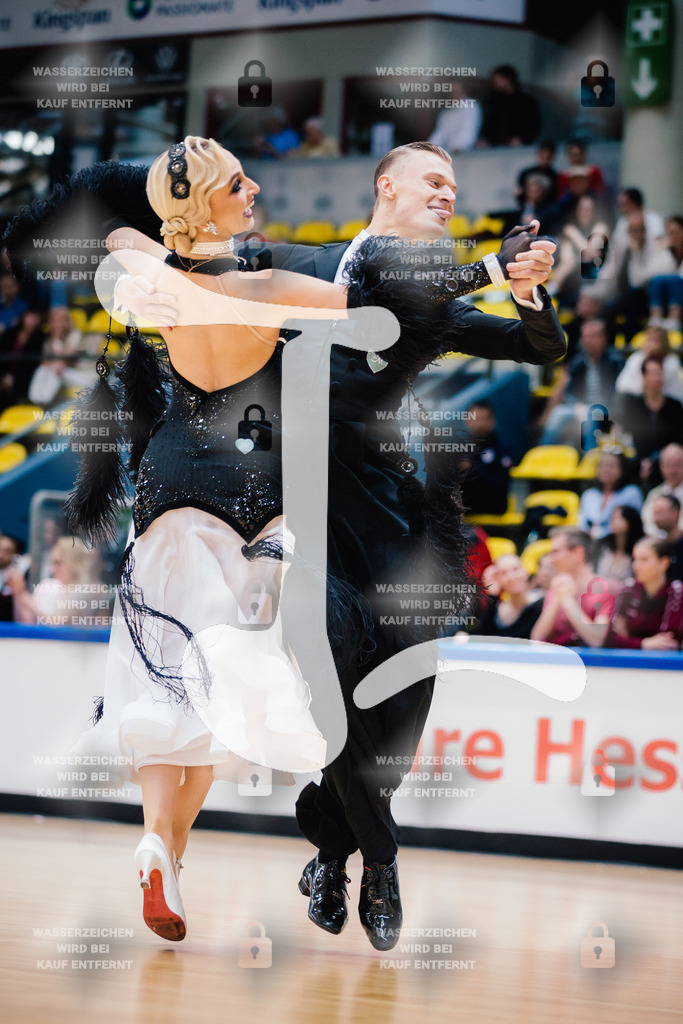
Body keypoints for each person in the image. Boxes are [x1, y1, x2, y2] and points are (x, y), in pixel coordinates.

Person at [84, 140, 563, 950]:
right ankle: (374, 863)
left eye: (455, 184)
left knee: (400, 690)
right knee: (323, 681)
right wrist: (137, 285)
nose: (448, 193)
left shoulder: (407, 293)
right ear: (387, 186)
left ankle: (306, 847)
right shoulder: (296, 261)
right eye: (433, 180)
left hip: (377, 508)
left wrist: (525, 290)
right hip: (285, 499)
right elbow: (152, 240)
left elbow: (538, 348)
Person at [540, 318, 622, 445]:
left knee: (588, 414)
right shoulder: (576, 363)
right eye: (586, 336)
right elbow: (569, 392)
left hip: (607, 407)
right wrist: (577, 404)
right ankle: (544, 452)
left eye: (593, 336)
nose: (589, 341)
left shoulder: (615, 361)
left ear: (604, 338)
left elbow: (618, 391)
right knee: (558, 413)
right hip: (580, 406)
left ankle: (589, 454)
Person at [531, 527, 613, 647]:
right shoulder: (557, 587)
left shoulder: (606, 589)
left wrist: (568, 601)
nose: (551, 559)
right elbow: (537, 639)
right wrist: (556, 601)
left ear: (578, 553)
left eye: (556, 552)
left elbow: (596, 640)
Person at [602, 538, 683, 649]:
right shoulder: (628, 589)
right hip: (628, 662)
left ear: (663, 563)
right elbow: (611, 638)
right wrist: (643, 643)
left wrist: (629, 638)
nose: (636, 566)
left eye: (644, 560)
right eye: (635, 559)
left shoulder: (677, 591)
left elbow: (669, 641)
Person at [7, 536, 90, 626]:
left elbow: (55, 623)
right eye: (52, 562)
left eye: (58, 563)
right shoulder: (46, 585)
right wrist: (18, 594)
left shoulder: (84, 592)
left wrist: (24, 596)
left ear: (74, 563)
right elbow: (26, 622)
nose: (53, 570)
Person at [615, 356, 683, 464]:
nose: (658, 378)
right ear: (644, 377)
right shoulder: (633, 405)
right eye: (653, 374)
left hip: (668, 464)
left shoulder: (675, 406)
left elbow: (677, 441)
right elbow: (626, 437)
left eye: (660, 373)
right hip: (637, 463)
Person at [459, 399, 513, 516]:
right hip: (463, 506)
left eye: (484, 419)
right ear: (466, 420)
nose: (480, 424)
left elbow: (499, 485)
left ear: (493, 421)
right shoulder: (459, 447)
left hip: (492, 506)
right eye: (476, 419)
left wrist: (472, 469)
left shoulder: (503, 448)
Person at [577, 450, 642, 540]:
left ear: (622, 469)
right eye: (602, 465)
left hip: (621, 543)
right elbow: (582, 525)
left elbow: (634, 525)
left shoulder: (631, 492)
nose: (606, 470)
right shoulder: (589, 495)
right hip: (590, 543)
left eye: (612, 466)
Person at [479, 553, 544, 639]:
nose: (511, 577)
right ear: (497, 578)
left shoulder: (542, 602)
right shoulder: (498, 609)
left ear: (526, 572)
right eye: (504, 573)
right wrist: (492, 595)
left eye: (515, 569)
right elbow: (483, 636)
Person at [615, 325, 683, 402]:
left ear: (664, 342)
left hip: (667, 404)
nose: (652, 345)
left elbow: (671, 392)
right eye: (649, 340)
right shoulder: (636, 358)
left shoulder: (672, 361)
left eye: (655, 340)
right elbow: (621, 386)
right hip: (638, 403)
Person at [478, 65, 541, 147]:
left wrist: (522, 139)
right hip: (495, 148)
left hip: (516, 149)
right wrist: (485, 138)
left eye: (497, 79)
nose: (494, 83)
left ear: (507, 79)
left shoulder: (526, 101)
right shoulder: (494, 100)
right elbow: (489, 123)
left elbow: (533, 124)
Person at [647, 215, 683, 328]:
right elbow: (653, 273)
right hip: (666, 292)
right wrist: (663, 250)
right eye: (669, 233)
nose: (673, 236)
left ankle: (674, 319)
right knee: (657, 281)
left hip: (679, 288)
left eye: (675, 232)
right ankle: (656, 318)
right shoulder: (666, 251)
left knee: (675, 279)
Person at [640, 443, 683, 536]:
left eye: (678, 465)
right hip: (658, 544)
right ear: (661, 467)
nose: (673, 470)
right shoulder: (655, 494)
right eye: (668, 465)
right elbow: (646, 522)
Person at [593, 505, 644, 582]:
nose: (612, 521)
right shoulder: (602, 544)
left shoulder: (639, 547)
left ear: (629, 521)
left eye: (617, 518)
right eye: (612, 517)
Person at [428, 83, 481, 153]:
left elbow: (468, 130)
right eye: (452, 92)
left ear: (464, 92)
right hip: (450, 153)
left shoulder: (471, 107)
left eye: (457, 92)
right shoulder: (446, 113)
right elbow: (440, 133)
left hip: (466, 152)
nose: (454, 95)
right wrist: (428, 148)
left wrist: (458, 145)